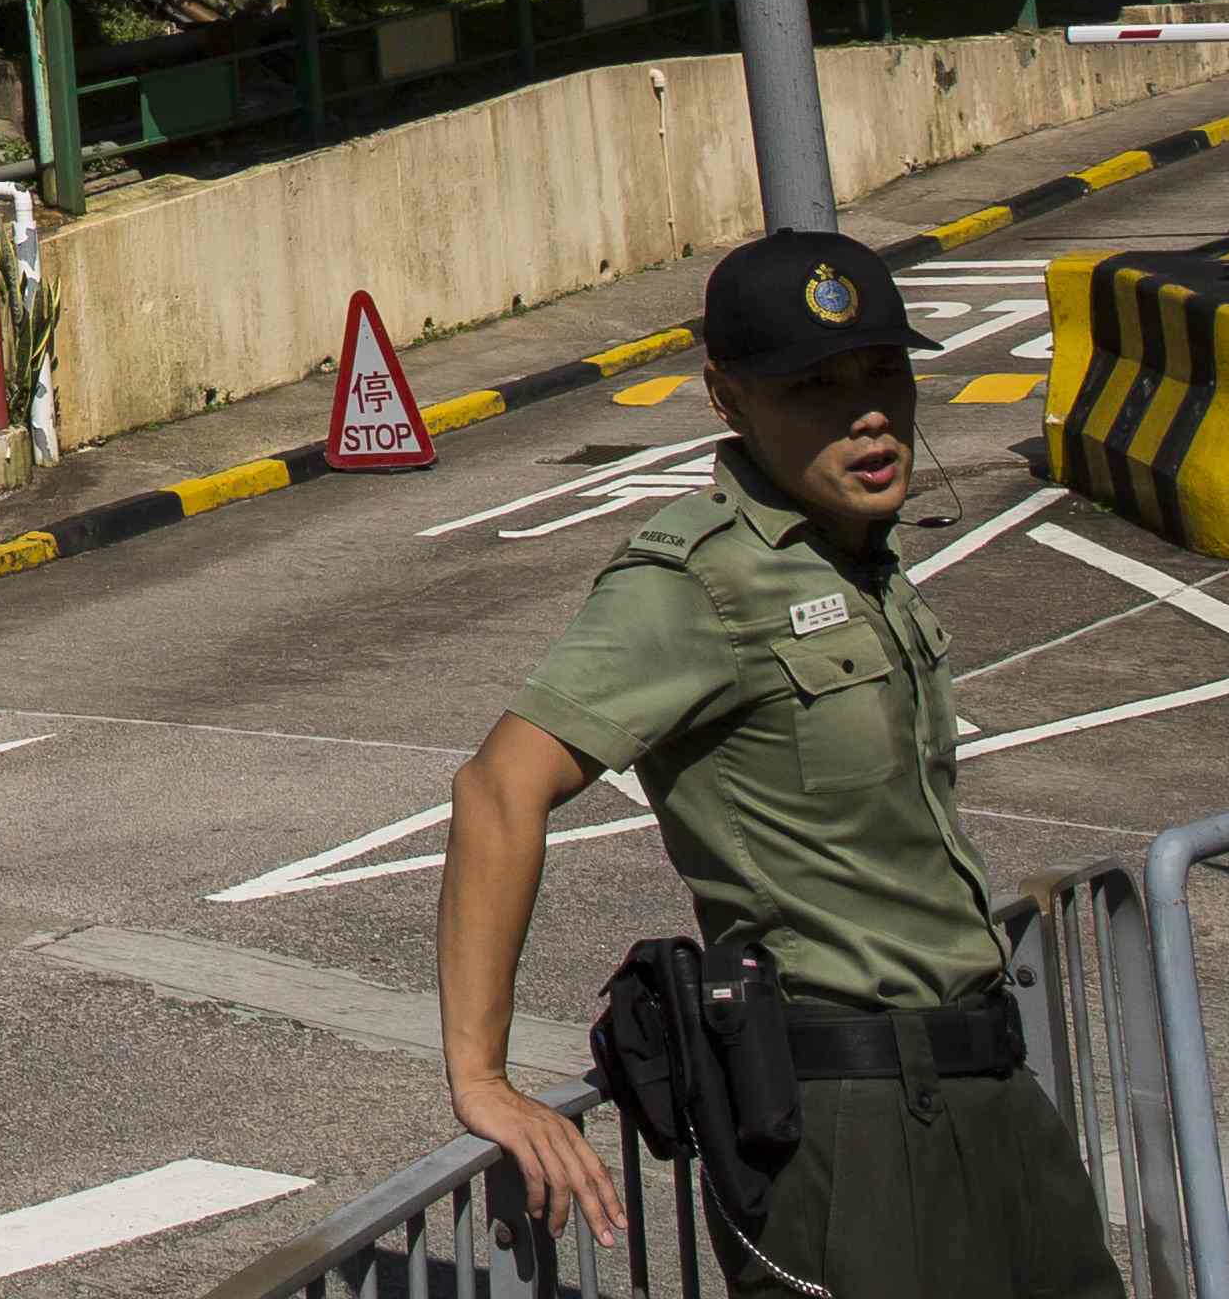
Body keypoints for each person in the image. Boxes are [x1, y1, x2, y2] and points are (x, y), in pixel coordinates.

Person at [437, 229, 1118, 1298]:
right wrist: (483, 1077)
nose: (868, 414)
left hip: (988, 1086)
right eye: (813, 388)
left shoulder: (860, 559)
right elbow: (498, 786)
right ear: (729, 399)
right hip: (854, 1121)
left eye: (883, 372)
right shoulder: (699, 579)